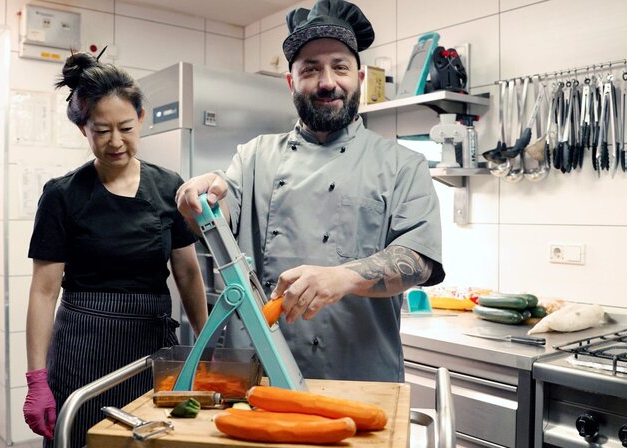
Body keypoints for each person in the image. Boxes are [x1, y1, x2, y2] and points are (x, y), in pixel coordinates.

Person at [176, 0, 444, 383]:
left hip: (358, 378)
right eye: (311, 70)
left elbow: (418, 259)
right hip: (254, 377)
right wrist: (199, 201)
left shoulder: (403, 164)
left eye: (340, 67)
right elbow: (219, 213)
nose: (327, 82)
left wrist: (343, 278)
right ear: (291, 83)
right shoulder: (253, 156)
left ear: (360, 78)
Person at [23, 52, 208, 447]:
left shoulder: (167, 186)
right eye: (100, 130)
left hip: (150, 348)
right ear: (82, 130)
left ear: (142, 118)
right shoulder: (62, 195)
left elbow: (189, 273)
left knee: (146, 440)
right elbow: (44, 290)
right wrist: (36, 379)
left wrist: (204, 345)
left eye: (125, 127)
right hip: (81, 349)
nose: (115, 141)